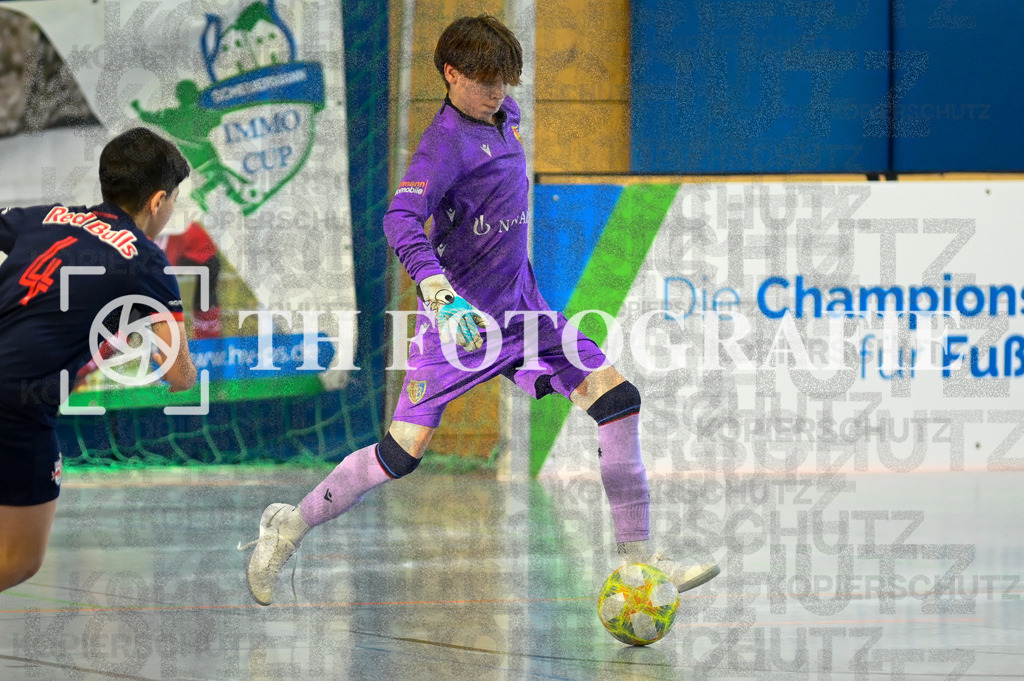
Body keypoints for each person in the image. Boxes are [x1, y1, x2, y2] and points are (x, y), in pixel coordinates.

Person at [242, 14, 719, 605]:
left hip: (525, 315)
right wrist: (441, 298)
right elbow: (399, 219)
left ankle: (641, 564)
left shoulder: (506, 119)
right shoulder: (444, 146)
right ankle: (289, 525)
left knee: (619, 401)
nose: (499, 93)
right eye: (486, 81)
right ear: (451, 74)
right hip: (459, 331)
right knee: (399, 456)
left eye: (506, 81)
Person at [0, 127, 197, 592]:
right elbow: (179, 374)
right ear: (157, 201)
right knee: (20, 559)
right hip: (17, 406)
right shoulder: (146, 262)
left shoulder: (50, 216)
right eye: (173, 201)